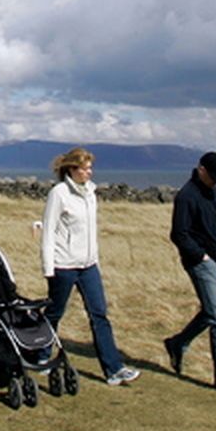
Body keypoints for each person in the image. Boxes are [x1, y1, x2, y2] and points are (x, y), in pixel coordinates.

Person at [40, 146, 139, 386]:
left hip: (89, 266)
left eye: (90, 168)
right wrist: (48, 269)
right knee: (54, 312)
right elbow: (49, 232)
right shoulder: (59, 193)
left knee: (99, 315)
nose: (89, 173)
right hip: (64, 265)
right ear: (71, 169)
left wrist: (94, 257)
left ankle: (113, 370)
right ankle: (40, 355)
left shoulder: (91, 193)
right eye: (85, 169)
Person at [164, 151, 216, 394]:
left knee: (210, 313)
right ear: (201, 170)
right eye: (213, 177)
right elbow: (179, 234)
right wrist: (201, 256)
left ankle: (177, 343)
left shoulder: (213, 192)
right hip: (200, 263)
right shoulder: (187, 196)